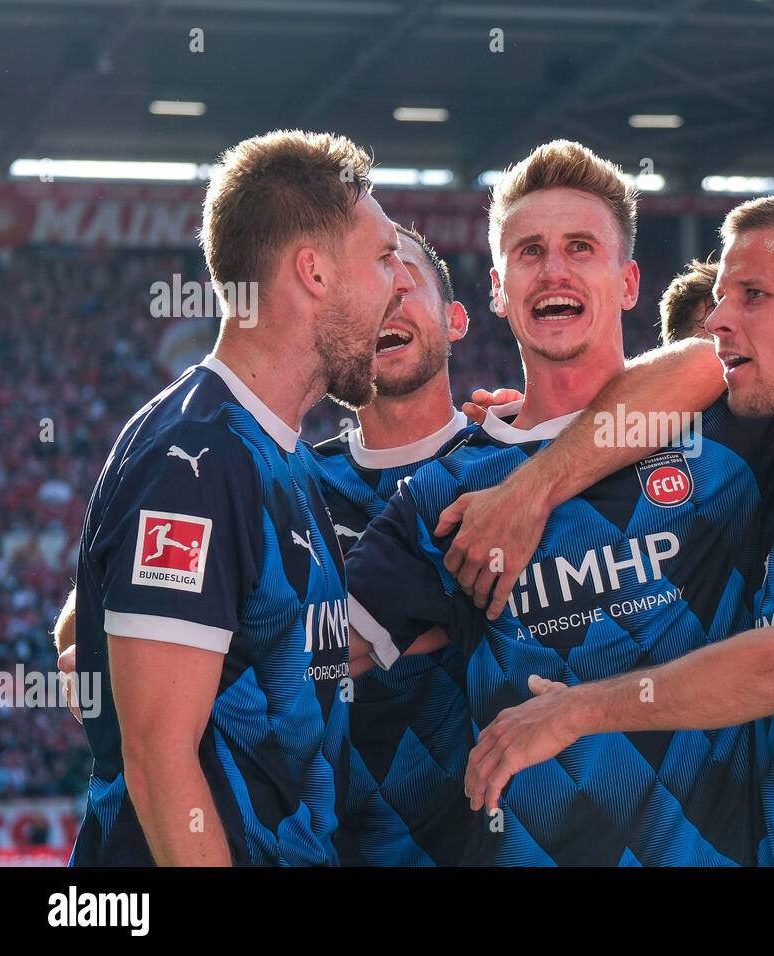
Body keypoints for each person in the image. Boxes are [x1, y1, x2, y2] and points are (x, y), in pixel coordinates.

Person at [355, 78, 774, 865]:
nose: (554, 272)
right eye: (529, 252)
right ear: (498, 290)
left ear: (627, 283)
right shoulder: (449, 491)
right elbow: (285, 661)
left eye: (581, 248)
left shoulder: (742, 428)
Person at [70, 129, 413, 866]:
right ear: (313, 272)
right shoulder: (192, 459)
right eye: (385, 258)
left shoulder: (278, 456)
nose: (403, 281)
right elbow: (161, 765)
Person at [310, 223, 475, 866]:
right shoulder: (291, 481)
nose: (389, 302)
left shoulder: (517, 466)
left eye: (407, 283)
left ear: (455, 319)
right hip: (327, 847)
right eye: (368, 288)